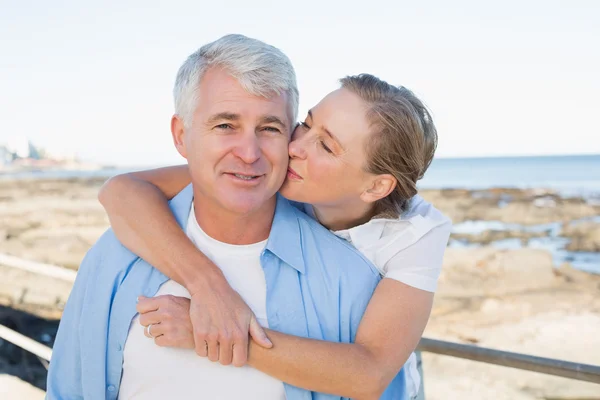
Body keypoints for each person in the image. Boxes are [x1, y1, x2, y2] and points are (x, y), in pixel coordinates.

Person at [47, 34, 406, 400]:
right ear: (182, 136)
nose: (249, 153)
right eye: (225, 126)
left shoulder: (350, 281)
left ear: (290, 141)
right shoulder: (113, 259)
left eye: (269, 128)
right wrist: (210, 287)